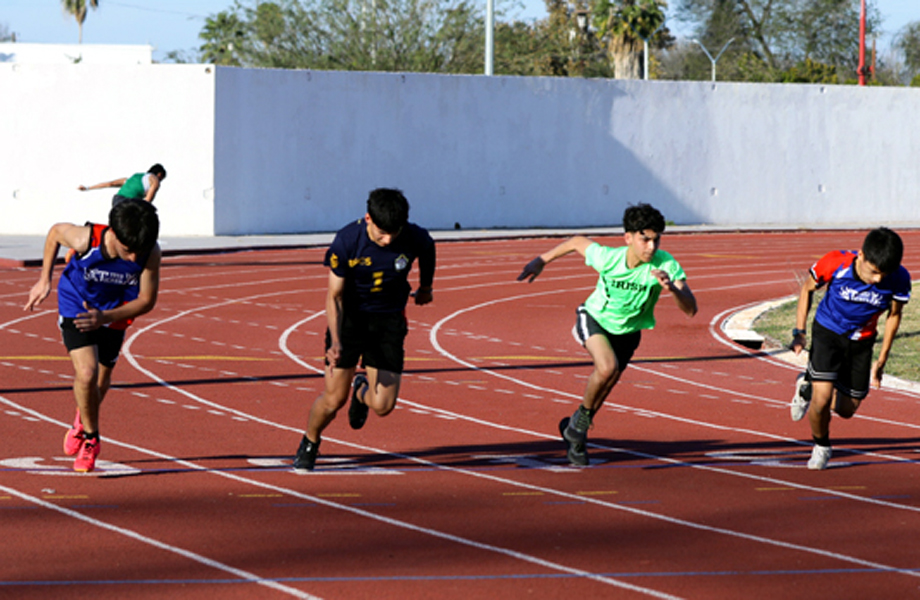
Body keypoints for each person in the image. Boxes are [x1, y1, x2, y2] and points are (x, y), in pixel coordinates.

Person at [517, 203, 697, 466]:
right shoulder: (608, 258)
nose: (651, 247)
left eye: (656, 240)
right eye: (644, 239)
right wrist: (541, 260)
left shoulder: (666, 265)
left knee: (607, 382)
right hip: (594, 319)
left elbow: (691, 309)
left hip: (629, 332)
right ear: (628, 238)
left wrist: (672, 289)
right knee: (607, 367)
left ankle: (576, 429)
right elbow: (577, 242)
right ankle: (578, 429)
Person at [293, 188, 436, 471]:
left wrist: (426, 287)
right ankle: (310, 440)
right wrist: (335, 341)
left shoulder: (413, 235)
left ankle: (362, 391)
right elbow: (333, 295)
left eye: (394, 234)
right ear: (368, 218)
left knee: (383, 406)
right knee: (333, 400)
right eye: (382, 233)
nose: (389, 240)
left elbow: (428, 249)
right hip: (350, 322)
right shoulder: (347, 241)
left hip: (388, 322)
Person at [24, 199, 161, 473]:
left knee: (100, 381)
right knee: (85, 373)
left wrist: (106, 318)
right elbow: (54, 234)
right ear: (113, 233)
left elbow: (147, 300)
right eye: (128, 250)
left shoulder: (150, 252)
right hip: (78, 303)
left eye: (140, 251)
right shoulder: (87, 238)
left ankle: (81, 418)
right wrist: (44, 279)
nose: (134, 258)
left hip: (115, 309)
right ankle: (91, 438)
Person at [789, 227, 911, 470]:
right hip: (828, 332)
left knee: (847, 409)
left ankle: (807, 389)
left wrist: (881, 361)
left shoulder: (898, 278)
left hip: (862, 342)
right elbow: (807, 288)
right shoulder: (836, 262)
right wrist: (799, 332)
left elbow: (894, 317)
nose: (878, 280)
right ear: (862, 256)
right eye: (874, 272)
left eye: (883, 275)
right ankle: (822, 445)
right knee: (822, 400)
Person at [79, 164, 167, 206]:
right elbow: (147, 201)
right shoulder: (155, 179)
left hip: (116, 200)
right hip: (129, 202)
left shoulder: (132, 178)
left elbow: (110, 184)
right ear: (159, 175)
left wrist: (87, 188)